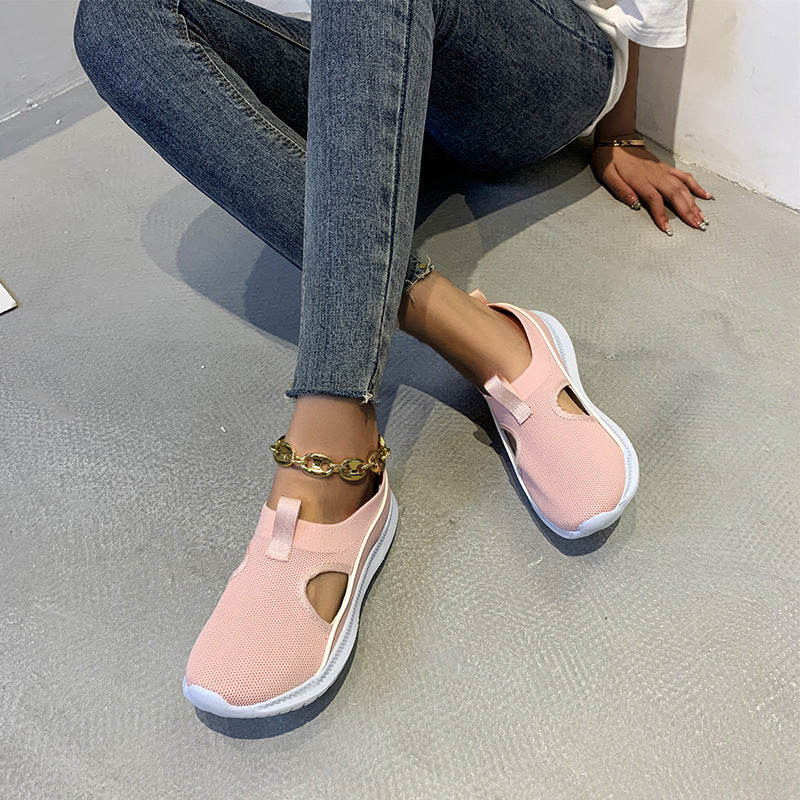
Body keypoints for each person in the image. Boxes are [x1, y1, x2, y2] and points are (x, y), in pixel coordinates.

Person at [72, 0, 710, 718]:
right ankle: (472, 329)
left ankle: (329, 450)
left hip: (533, 69)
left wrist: (618, 132)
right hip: (383, 47)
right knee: (117, 21)